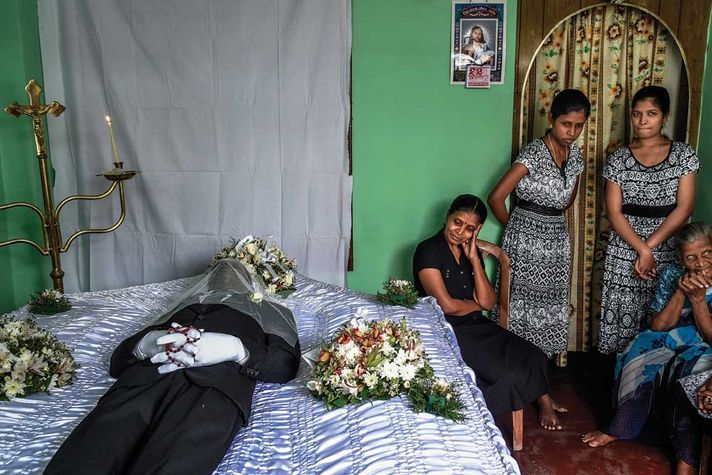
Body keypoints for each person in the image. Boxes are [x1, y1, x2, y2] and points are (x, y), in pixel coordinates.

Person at [45, 259, 301, 475]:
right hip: (142, 380)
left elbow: (285, 364)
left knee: (170, 464)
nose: (225, 272)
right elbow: (118, 360)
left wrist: (237, 349)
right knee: (85, 457)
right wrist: (145, 344)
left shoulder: (271, 310)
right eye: (218, 270)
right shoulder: (183, 306)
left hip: (214, 389)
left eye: (236, 270)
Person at [413, 194, 567, 430]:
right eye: (457, 222)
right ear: (448, 217)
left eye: (469, 228)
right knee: (505, 373)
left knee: (534, 354)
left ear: (477, 230)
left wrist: (474, 260)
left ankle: (543, 399)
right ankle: (520, 401)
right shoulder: (427, 250)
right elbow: (446, 306)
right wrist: (477, 305)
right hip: (447, 329)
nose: (460, 231)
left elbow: (488, 300)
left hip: (477, 325)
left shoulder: (469, 253)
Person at [582, 222, 712, 475]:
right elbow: (659, 326)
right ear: (680, 259)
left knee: (689, 372)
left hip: (706, 341)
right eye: (691, 257)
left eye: (707, 253)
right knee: (639, 350)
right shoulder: (673, 274)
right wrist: (680, 292)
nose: (701, 263)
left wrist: (697, 301)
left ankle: (687, 457)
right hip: (675, 334)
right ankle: (620, 427)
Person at [488, 89, 591, 358]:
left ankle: (539, 365)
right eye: (566, 124)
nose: (572, 131)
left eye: (578, 126)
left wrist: (550, 221)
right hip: (525, 238)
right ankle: (515, 366)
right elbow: (497, 197)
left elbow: (567, 200)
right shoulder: (534, 152)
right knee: (520, 302)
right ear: (551, 119)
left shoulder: (576, 156)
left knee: (549, 300)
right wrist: (516, 227)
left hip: (556, 238)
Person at [598, 85, 699, 354]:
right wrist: (642, 249)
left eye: (651, 113)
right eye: (637, 114)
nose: (642, 121)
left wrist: (650, 246)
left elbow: (685, 207)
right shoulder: (619, 158)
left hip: (668, 243)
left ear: (664, 116)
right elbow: (614, 211)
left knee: (663, 307)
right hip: (625, 246)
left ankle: (655, 381)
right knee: (624, 312)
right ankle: (620, 381)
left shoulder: (683, 155)